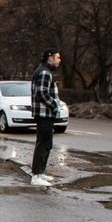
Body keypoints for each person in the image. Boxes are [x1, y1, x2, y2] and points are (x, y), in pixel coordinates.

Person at [30, 49, 61, 186]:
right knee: (43, 145)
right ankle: (36, 176)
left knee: (46, 144)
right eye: (57, 57)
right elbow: (41, 94)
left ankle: (40, 173)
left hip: (45, 114)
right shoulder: (44, 73)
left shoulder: (44, 71)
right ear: (50, 58)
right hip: (44, 114)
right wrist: (54, 105)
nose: (59, 60)